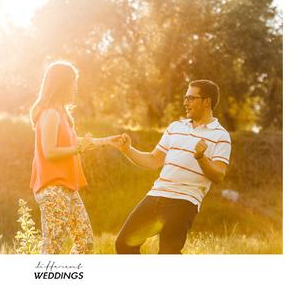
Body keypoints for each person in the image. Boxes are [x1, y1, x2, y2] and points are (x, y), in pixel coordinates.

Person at [112, 80, 231, 254]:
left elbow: (219, 176)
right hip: (156, 195)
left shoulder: (221, 135)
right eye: (185, 98)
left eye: (191, 98)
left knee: (168, 253)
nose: (185, 103)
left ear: (207, 101)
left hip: (185, 201)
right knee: (124, 244)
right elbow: (153, 160)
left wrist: (201, 158)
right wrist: (127, 150)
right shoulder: (175, 127)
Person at [30, 60, 114, 254]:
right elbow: (49, 151)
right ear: (62, 84)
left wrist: (109, 141)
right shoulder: (50, 114)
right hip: (52, 188)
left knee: (85, 242)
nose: (75, 87)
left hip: (67, 188)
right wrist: (77, 148)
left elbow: (78, 145)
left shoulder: (63, 115)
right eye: (73, 82)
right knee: (52, 247)